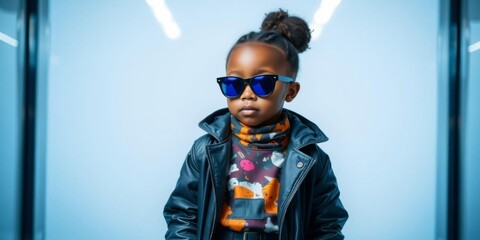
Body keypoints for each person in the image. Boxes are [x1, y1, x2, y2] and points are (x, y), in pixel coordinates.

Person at [163, 9, 348, 240]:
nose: (247, 94)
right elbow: (181, 214)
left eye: (263, 83)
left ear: (291, 91)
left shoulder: (311, 159)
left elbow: (327, 226)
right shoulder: (204, 151)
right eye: (234, 84)